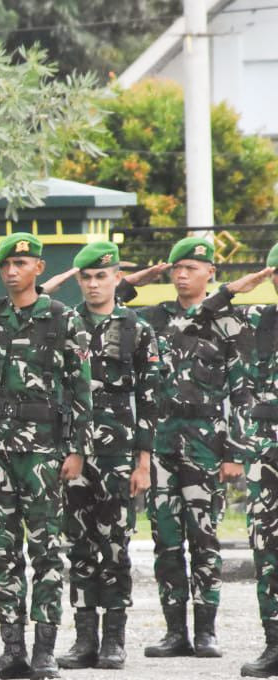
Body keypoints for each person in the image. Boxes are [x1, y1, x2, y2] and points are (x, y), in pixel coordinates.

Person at [0, 232, 92, 680]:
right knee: (1, 550)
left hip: (42, 450)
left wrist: (76, 449)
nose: (12, 271)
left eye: (21, 263)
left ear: (39, 268)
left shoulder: (61, 319)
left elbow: (80, 391)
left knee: (45, 550)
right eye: (5, 265)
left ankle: (44, 651)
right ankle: (12, 650)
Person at [116, 238, 251, 658]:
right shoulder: (152, 319)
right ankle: (175, 631)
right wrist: (129, 283)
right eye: (176, 267)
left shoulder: (228, 322)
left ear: (211, 272)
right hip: (159, 443)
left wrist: (233, 452)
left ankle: (207, 630)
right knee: (166, 539)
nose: (181, 274)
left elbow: (240, 389)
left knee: (205, 536)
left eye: (191, 267)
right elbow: (105, 313)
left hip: (205, 444)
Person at [45, 242, 163, 670]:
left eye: (101, 276)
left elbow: (150, 401)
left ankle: (114, 638)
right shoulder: (63, 325)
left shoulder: (137, 329)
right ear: (79, 280)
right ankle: (83, 639)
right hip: (73, 453)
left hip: (118, 454)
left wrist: (144, 463)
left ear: (117, 277)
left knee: (114, 545)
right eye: (86, 277)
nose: (94, 284)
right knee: (77, 543)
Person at [187, 247, 278, 676]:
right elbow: (194, 321)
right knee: (268, 549)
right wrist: (233, 290)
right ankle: (275, 644)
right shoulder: (256, 320)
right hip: (266, 453)